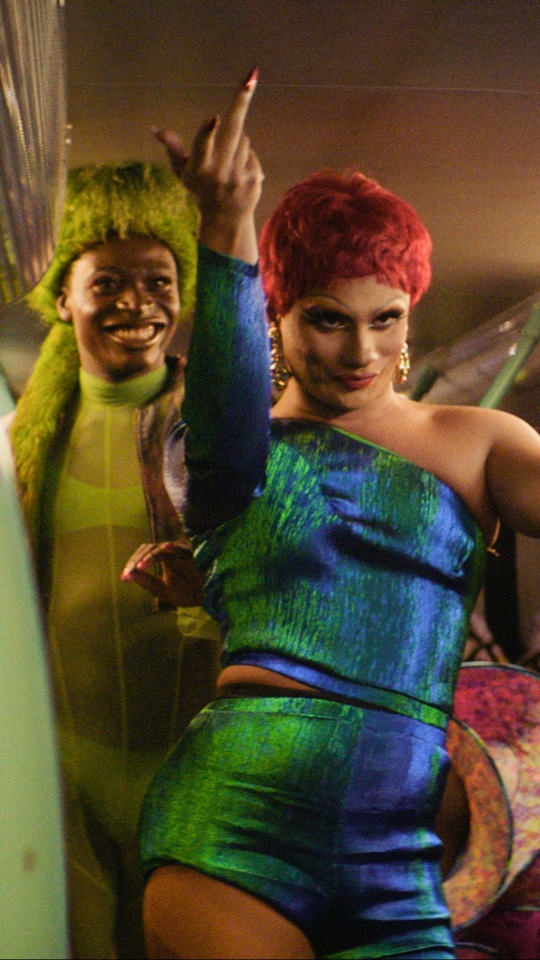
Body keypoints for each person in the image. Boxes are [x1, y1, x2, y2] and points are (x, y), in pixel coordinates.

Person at [139, 74, 540, 959]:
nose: (361, 351)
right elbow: (224, 432)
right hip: (233, 822)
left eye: (385, 319)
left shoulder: (478, 441)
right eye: (327, 320)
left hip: (401, 854)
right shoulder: (225, 446)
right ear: (275, 315)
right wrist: (226, 220)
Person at [9, 162, 220, 959]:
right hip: (64, 788)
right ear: (63, 297)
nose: (139, 303)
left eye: (159, 281)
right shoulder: (20, 449)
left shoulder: (222, 439)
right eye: (109, 282)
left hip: (195, 781)